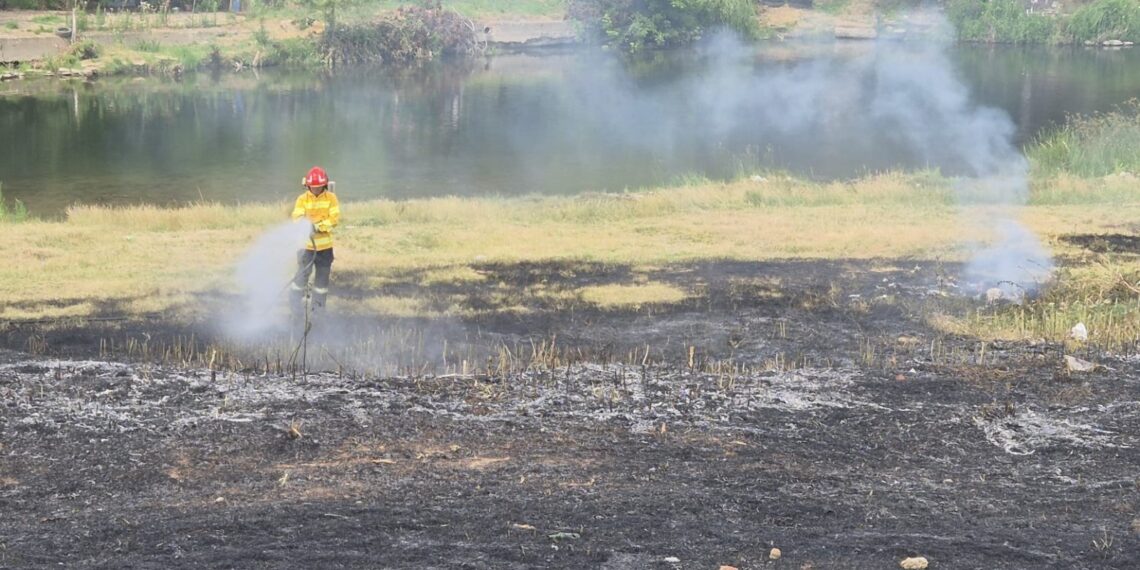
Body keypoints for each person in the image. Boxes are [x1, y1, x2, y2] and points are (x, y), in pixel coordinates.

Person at [290, 166, 340, 313]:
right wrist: (305, 225)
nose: (316, 189)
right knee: (301, 278)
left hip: (325, 249)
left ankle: (318, 310)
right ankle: (295, 307)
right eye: (313, 187)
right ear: (307, 185)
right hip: (306, 248)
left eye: (318, 187)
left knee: (321, 283)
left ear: (324, 185)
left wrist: (318, 227)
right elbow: (296, 217)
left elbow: (334, 219)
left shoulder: (331, 198)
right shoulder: (302, 199)